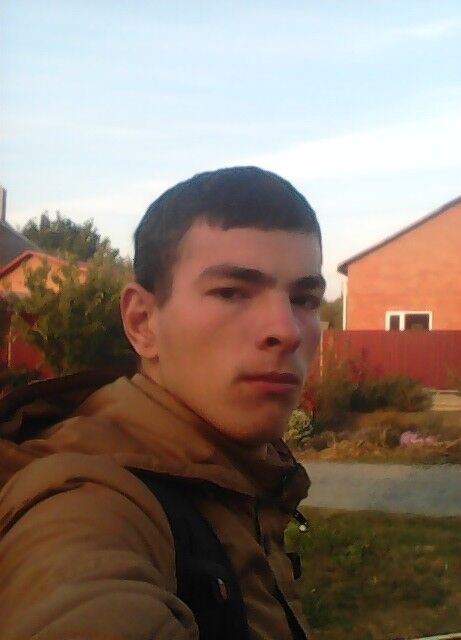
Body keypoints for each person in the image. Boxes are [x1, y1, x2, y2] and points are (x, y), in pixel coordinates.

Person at [0, 166, 325, 640]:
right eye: (231, 292)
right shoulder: (85, 501)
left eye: (305, 299)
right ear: (142, 322)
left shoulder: (239, 473)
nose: (287, 330)